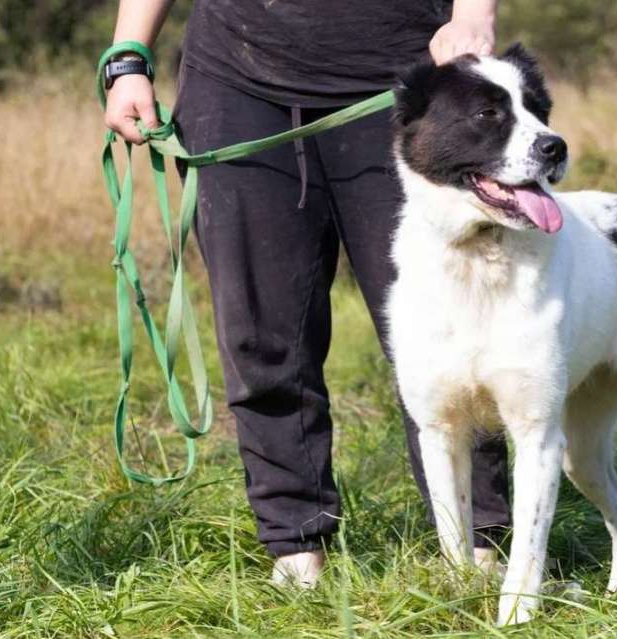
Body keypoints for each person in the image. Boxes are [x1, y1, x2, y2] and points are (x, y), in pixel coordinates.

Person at [102, 0, 510, 588]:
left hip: (407, 78)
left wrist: (474, 14)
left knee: (452, 333)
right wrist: (128, 55)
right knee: (261, 329)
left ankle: (478, 544)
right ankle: (295, 546)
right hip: (238, 81)